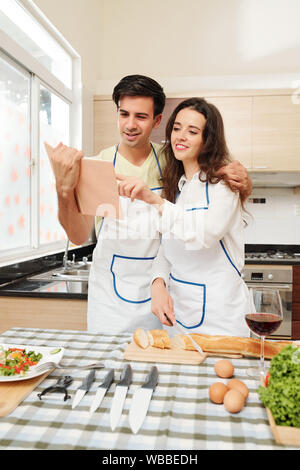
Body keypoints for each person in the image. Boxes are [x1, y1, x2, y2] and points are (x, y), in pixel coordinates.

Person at [49, 76, 252, 335]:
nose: (130, 125)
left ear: (157, 121)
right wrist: (63, 190)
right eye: (124, 114)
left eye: (141, 117)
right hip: (112, 301)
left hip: (163, 300)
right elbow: (77, 235)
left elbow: (214, 181)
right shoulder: (99, 166)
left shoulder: (173, 161)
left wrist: (245, 183)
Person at [117, 97, 251, 337]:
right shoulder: (179, 187)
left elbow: (204, 234)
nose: (181, 136)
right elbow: (168, 248)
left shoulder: (223, 185)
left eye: (192, 131)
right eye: (177, 128)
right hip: (180, 317)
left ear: (207, 139)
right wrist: (157, 283)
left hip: (221, 317)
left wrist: (154, 200)